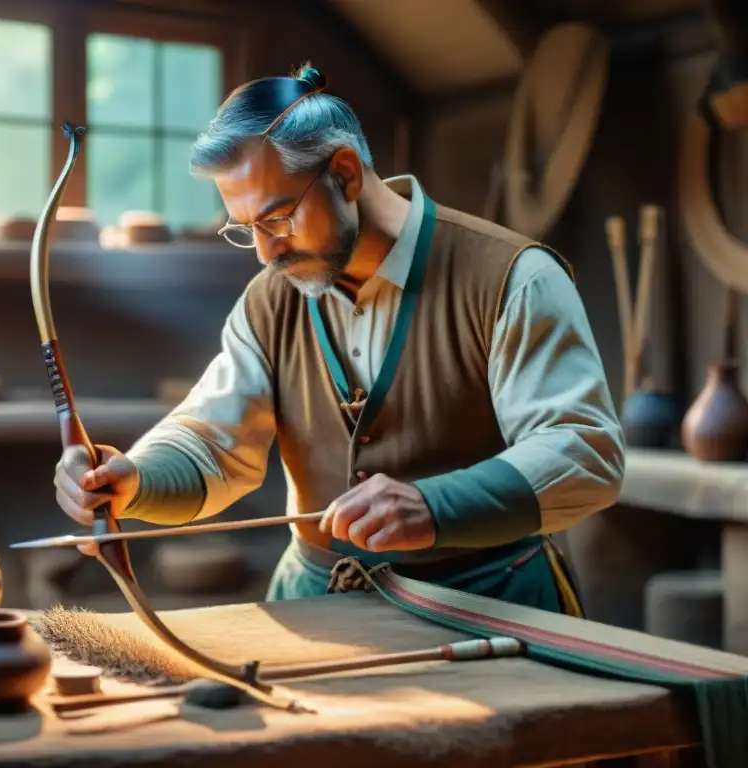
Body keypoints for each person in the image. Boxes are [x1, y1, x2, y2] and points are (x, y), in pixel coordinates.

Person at [54, 63, 624, 614]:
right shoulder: (269, 299)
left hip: (488, 604)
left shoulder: (515, 278)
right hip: (317, 607)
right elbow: (215, 444)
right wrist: (134, 479)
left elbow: (583, 452)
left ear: (346, 173)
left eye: (277, 219)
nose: (265, 252)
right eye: (245, 228)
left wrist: (433, 505)